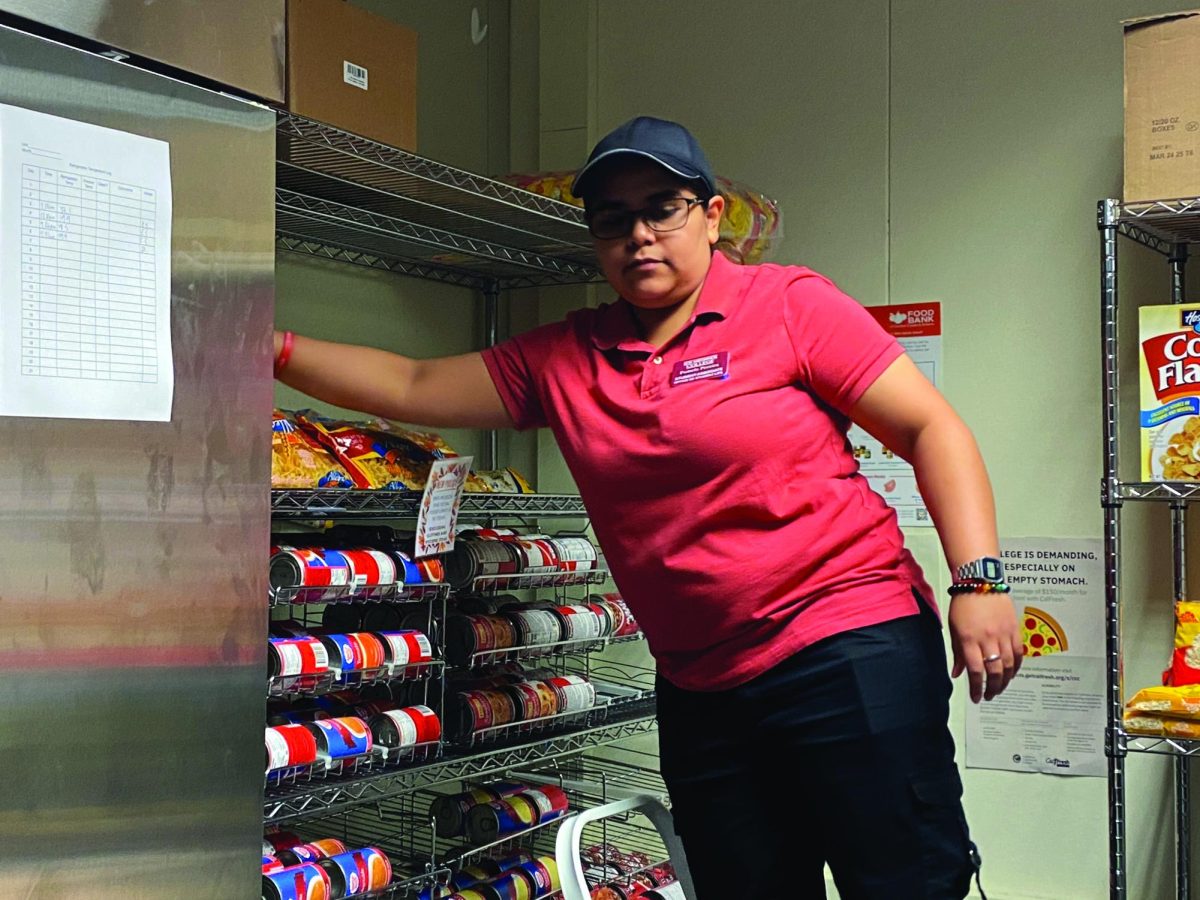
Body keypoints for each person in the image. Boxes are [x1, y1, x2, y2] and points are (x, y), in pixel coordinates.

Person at [274, 116, 1022, 899]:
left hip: (847, 647)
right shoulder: (565, 355)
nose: (639, 234)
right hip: (703, 687)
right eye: (613, 219)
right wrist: (270, 345)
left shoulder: (788, 304)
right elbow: (412, 387)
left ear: (709, 215)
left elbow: (932, 428)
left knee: (905, 882)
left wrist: (979, 581)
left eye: (661, 207)